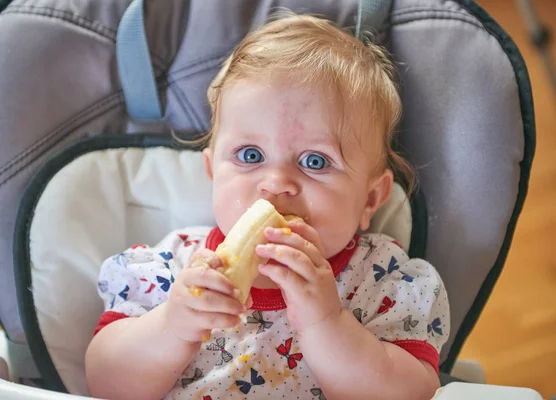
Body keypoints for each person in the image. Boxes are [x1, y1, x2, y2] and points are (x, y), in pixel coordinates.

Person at [85, 12, 449, 400]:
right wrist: (172, 327)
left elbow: (411, 395)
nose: (275, 183)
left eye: (315, 161)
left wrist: (327, 322)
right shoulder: (172, 270)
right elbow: (104, 385)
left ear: (370, 199)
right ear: (212, 171)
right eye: (250, 154)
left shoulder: (383, 282)